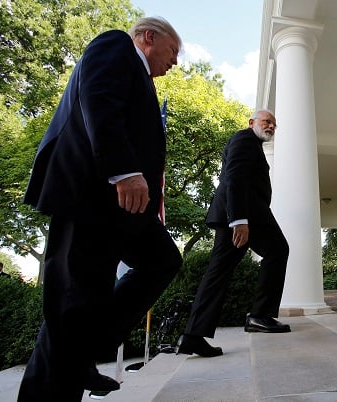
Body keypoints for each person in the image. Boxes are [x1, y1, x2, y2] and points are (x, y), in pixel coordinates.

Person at [17, 17, 183, 401]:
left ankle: (87, 350)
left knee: (162, 261)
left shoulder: (142, 80)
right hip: (90, 195)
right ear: (148, 37)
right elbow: (99, 100)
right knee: (72, 303)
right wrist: (123, 171)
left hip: (124, 208)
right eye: (173, 51)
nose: (175, 62)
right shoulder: (115, 46)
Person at [176, 109, 290, 358]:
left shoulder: (254, 145)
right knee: (277, 250)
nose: (271, 126)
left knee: (220, 272)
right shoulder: (243, 138)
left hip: (246, 214)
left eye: (273, 124)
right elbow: (234, 177)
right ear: (252, 123)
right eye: (266, 121)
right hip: (242, 214)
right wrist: (238, 220)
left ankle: (193, 336)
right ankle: (259, 316)